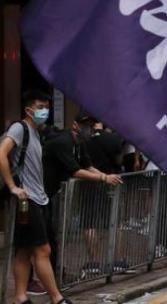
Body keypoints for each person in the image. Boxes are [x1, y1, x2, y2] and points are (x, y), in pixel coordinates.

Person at [0, 91, 75, 304]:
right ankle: (57, 298)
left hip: (37, 199)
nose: (44, 111)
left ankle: (20, 298)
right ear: (28, 109)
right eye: (40, 106)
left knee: (24, 250)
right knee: (43, 249)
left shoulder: (35, 132)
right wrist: (13, 187)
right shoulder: (19, 128)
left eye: (46, 107)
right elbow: (0, 155)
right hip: (27, 199)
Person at [42, 113, 123, 286]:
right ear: (75, 125)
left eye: (92, 124)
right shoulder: (63, 142)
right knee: (46, 238)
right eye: (85, 124)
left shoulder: (80, 143)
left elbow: (87, 165)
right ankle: (48, 277)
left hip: (54, 193)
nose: (89, 128)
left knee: (53, 236)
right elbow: (75, 171)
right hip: (43, 193)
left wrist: (105, 175)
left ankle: (57, 274)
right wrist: (103, 178)